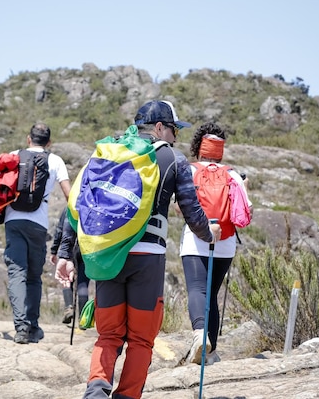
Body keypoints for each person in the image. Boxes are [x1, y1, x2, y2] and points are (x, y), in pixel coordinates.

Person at [55, 100, 222, 399]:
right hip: (148, 259)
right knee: (142, 339)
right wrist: (210, 234)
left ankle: (95, 392)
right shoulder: (173, 158)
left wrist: (66, 254)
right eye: (173, 129)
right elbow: (193, 213)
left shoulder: (107, 154)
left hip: (107, 256)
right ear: (159, 127)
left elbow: (76, 205)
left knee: (108, 335)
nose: (176, 136)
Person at [180, 122, 253, 365]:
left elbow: (177, 203)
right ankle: (211, 353)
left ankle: (200, 337)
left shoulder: (189, 170)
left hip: (196, 238)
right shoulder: (233, 174)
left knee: (197, 290)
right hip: (226, 240)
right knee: (211, 295)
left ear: (199, 146)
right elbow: (246, 210)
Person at [4, 122, 72, 344]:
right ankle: (33, 326)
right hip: (38, 224)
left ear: (28, 139)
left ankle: (20, 328)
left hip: (13, 220)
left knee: (17, 273)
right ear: (49, 142)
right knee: (33, 277)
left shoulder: (14, 155)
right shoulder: (55, 160)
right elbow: (69, 196)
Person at [49, 208, 90, 325]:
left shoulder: (69, 208)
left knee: (66, 277)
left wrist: (54, 250)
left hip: (70, 247)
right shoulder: (91, 204)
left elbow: (60, 231)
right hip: (86, 249)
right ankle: (83, 318)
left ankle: (69, 307)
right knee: (83, 283)